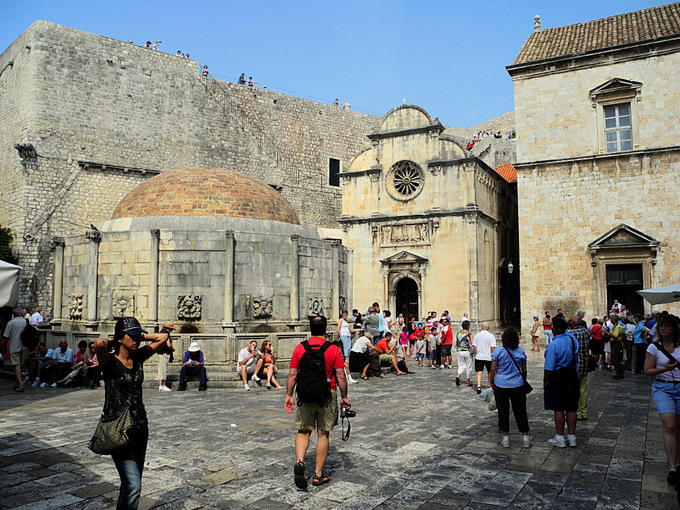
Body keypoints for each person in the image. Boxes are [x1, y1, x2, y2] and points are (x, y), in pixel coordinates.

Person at [93, 317, 169, 510]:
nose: (137, 339)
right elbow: (100, 344)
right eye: (132, 335)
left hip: (140, 426)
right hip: (118, 428)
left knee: (132, 484)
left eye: (138, 335)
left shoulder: (138, 357)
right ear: (120, 338)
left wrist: (139, 335)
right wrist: (117, 339)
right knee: (133, 484)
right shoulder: (110, 363)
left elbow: (162, 338)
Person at [285, 316, 349, 489]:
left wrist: (289, 395)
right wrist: (344, 396)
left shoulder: (300, 348)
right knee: (323, 433)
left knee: (303, 431)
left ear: (310, 328)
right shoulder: (333, 349)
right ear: (326, 329)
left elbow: (292, 375)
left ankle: (300, 462)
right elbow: (341, 375)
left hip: (305, 395)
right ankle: (318, 475)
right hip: (327, 394)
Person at [644, 314, 680, 489]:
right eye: (661, 326)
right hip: (663, 388)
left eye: (667, 326)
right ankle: (673, 467)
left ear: (674, 328)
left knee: (678, 427)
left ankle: (678, 462)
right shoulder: (654, 348)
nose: (663, 328)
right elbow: (647, 370)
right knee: (670, 426)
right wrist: (663, 369)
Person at [489, 328, 530, 448]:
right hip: (517, 384)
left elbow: (493, 369)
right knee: (520, 410)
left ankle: (505, 438)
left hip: (501, 384)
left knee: (503, 410)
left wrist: (491, 381)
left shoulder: (498, 352)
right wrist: (522, 380)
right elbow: (524, 370)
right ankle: (525, 438)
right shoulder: (521, 352)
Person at [543, 317, 580, 448]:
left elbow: (548, 368)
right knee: (571, 407)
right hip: (572, 375)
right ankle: (572, 437)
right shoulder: (572, 339)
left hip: (558, 376)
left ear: (553, 329)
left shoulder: (553, 345)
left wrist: (545, 382)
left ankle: (560, 438)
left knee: (558, 408)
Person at [569, 318, 590, 421]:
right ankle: (584, 412)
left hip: (576, 364)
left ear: (573, 324)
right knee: (583, 389)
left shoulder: (572, 333)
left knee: (574, 389)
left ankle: (577, 412)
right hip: (585, 364)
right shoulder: (586, 331)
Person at [3, 307, 28, 392]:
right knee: (21, 364)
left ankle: (20, 384)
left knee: (16, 365)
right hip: (25, 346)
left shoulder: (11, 323)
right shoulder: (26, 322)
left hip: (14, 346)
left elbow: (6, 337)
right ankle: (18, 382)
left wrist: (4, 347)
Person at [473, 322, 496, 394]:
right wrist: (493, 356)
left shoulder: (477, 335)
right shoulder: (491, 336)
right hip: (488, 356)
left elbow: (475, 347)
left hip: (479, 356)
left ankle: (479, 386)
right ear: (488, 327)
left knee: (479, 372)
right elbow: (493, 348)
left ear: (481, 327)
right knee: (489, 371)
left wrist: (475, 354)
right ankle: (489, 385)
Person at [157, 322, 175, 392]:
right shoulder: (166, 334)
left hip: (160, 353)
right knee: (164, 369)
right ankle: (163, 385)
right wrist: (172, 349)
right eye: (171, 329)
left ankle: (160, 385)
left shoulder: (161, 333)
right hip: (164, 353)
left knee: (160, 369)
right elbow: (168, 344)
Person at [455, 321, 474, 387]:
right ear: (468, 327)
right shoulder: (469, 334)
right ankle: (468, 381)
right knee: (468, 366)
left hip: (460, 351)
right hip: (467, 351)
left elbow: (457, 342)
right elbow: (472, 343)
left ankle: (458, 375)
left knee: (461, 365)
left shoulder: (458, 333)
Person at [609, 314, 626, 379]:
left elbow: (615, 336)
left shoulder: (618, 327)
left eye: (612, 319)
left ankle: (620, 373)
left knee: (616, 358)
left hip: (616, 344)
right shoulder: (615, 326)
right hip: (615, 343)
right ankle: (619, 372)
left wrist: (608, 333)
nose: (610, 320)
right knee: (615, 358)